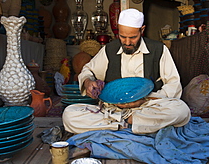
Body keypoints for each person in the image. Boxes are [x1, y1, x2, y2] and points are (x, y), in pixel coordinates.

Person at [62, 8, 191, 134]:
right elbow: (87, 70)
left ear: (142, 30)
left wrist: (145, 99)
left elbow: (174, 85)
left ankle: (127, 123)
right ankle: (125, 125)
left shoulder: (159, 50)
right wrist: (87, 81)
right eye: (123, 37)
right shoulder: (109, 50)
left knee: (182, 111)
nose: (127, 42)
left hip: (147, 108)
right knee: (69, 115)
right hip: (114, 111)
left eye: (133, 37)